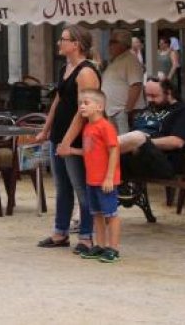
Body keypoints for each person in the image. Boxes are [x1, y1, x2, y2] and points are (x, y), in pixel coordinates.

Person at [36, 25, 100, 255]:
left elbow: (84, 111)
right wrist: (46, 129)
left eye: (63, 40)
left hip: (77, 139)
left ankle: (86, 236)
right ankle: (60, 232)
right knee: (62, 187)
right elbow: (58, 101)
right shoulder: (66, 67)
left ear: (76, 44)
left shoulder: (86, 72)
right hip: (59, 135)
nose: (58, 43)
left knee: (81, 187)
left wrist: (68, 141)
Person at [65, 90, 122, 263]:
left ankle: (113, 248)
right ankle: (100, 245)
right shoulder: (88, 127)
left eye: (86, 102)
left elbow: (114, 150)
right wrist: (72, 150)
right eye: (81, 103)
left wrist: (109, 177)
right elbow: (90, 151)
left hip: (105, 180)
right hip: (92, 179)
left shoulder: (106, 126)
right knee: (97, 214)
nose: (82, 106)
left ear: (99, 106)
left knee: (110, 215)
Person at [117, 78, 185, 181]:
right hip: (136, 158)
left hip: (162, 164)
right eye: (147, 96)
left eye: (154, 96)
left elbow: (177, 142)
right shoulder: (148, 110)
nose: (149, 100)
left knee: (135, 137)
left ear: (168, 93)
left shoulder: (182, 111)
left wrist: (143, 142)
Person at [101, 30, 144, 134]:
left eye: (113, 42)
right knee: (115, 145)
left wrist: (127, 111)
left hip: (122, 113)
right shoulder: (117, 60)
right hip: (113, 112)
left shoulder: (130, 60)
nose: (109, 45)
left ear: (123, 44)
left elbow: (136, 85)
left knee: (124, 145)